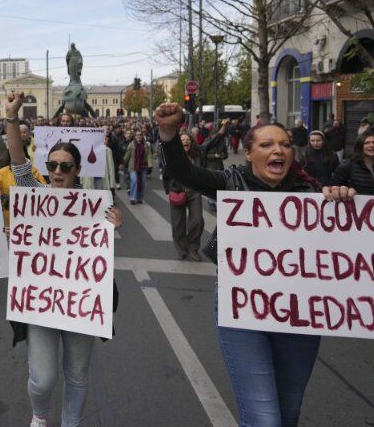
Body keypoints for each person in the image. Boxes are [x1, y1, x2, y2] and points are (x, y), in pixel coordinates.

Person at [154, 102, 353, 426]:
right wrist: (168, 133)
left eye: (285, 144)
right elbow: (182, 172)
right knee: (264, 419)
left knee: (288, 414)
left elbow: (345, 250)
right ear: (248, 154)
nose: (279, 150)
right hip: (243, 309)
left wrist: (342, 201)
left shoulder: (311, 192)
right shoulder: (231, 183)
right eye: (267, 144)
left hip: (299, 312)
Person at [4, 90, 123, 427]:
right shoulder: (34, 194)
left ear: (77, 169)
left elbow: (101, 250)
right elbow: (16, 158)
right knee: (42, 378)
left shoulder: (94, 203)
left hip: (79, 301)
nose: (57, 171)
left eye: (65, 166)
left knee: (77, 374)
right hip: (40, 300)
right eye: (52, 165)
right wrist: (12, 118)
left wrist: (113, 224)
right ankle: (40, 415)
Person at [0, 141, 46, 225]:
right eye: (14, 156)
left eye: (20, 156)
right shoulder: (2, 173)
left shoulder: (33, 171)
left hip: (31, 218)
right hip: (11, 222)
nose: (17, 159)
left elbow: (44, 190)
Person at [163, 132, 204, 261]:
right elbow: (166, 175)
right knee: (177, 223)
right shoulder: (172, 157)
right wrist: (169, 190)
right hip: (177, 192)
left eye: (188, 139)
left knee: (197, 220)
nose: (186, 141)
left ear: (190, 142)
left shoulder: (197, 156)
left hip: (194, 192)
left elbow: (204, 172)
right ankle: (181, 250)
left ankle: (192, 247)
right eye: (183, 140)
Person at [122, 130, 152, 205]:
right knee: (134, 181)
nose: (139, 136)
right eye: (137, 135)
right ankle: (133, 198)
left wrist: (150, 164)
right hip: (133, 166)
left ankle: (140, 198)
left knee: (142, 182)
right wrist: (122, 163)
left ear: (142, 136)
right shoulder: (131, 144)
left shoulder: (146, 145)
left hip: (144, 166)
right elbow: (127, 155)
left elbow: (149, 155)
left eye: (140, 135)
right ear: (135, 136)